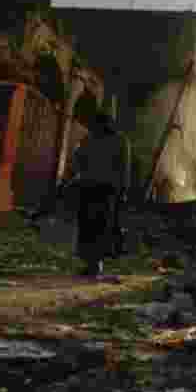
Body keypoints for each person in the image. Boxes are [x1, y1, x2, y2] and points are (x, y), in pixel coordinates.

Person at [65, 110, 131, 277]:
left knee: (99, 226)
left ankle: (95, 263)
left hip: (104, 190)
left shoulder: (118, 140)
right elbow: (77, 160)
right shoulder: (94, 139)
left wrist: (122, 190)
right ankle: (91, 263)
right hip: (92, 188)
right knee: (90, 225)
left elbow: (123, 168)